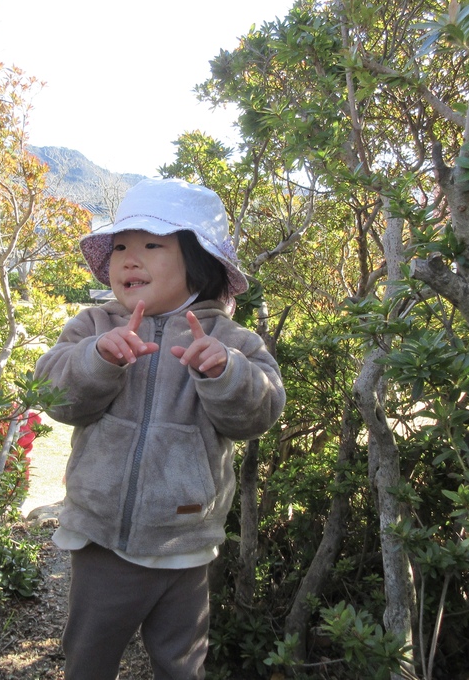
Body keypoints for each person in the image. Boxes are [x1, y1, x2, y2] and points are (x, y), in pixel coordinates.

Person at [34, 178, 285, 680]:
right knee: (88, 657)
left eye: (152, 245)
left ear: (199, 261)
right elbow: (52, 396)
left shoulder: (231, 339)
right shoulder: (95, 325)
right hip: (103, 539)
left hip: (186, 540)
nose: (130, 258)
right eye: (121, 246)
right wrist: (97, 358)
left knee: (181, 664)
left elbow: (259, 415)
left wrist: (225, 371)